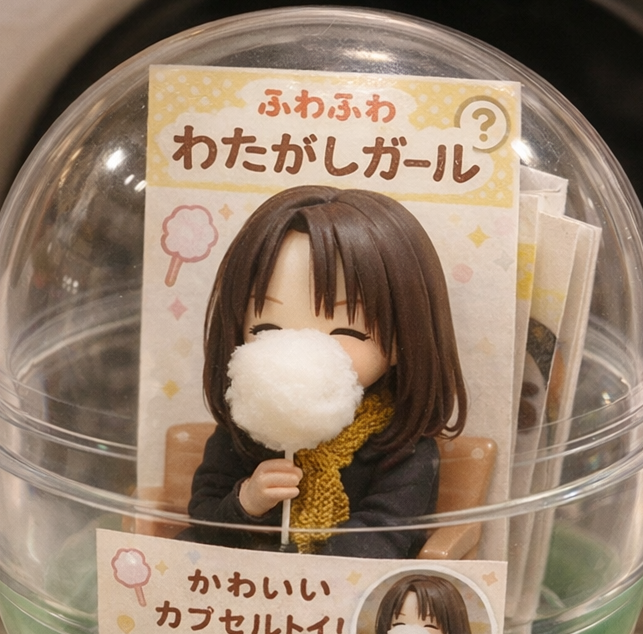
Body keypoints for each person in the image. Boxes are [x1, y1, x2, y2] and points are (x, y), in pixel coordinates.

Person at [188, 185, 467, 558]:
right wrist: (247, 502)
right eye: (266, 328)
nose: (302, 348)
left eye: (346, 331)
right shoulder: (243, 431)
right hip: (241, 585)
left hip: (341, 587)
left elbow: (386, 535)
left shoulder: (401, 447)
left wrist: (306, 574)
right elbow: (204, 520)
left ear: (402, 340)